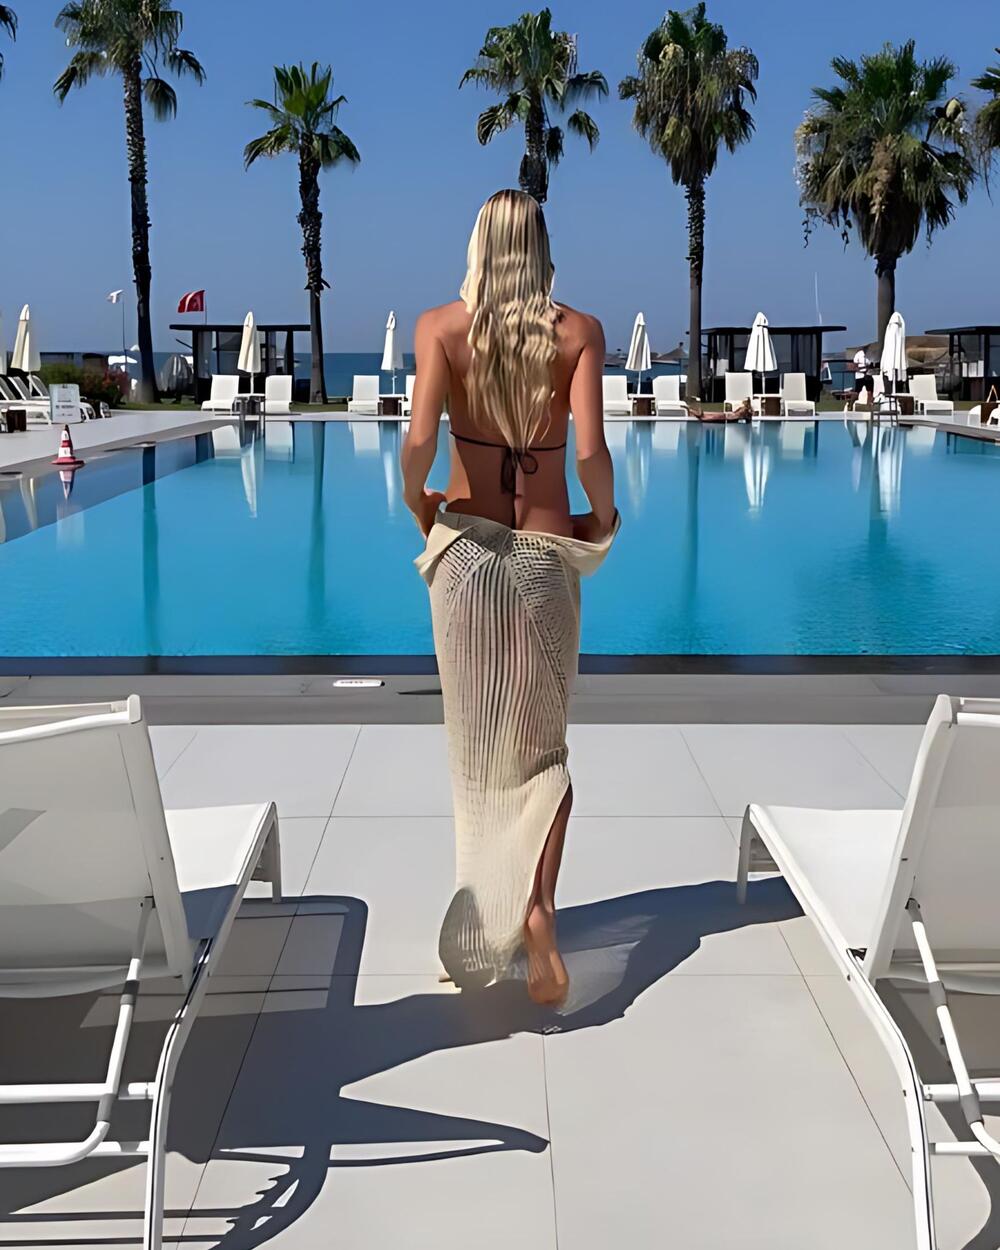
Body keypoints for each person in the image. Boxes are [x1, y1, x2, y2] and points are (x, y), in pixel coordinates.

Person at [401, 189, 618, 1007]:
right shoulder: (580, 333)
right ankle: (536, 910)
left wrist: (417, 502)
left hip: (465, 554)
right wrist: (603, 515)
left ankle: (489, 913)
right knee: (542, 751)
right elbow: (589, 451)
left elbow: (419, 441)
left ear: (479, 247)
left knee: (476, 752)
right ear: (541, 249)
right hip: (545, 557)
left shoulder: (440, 327)